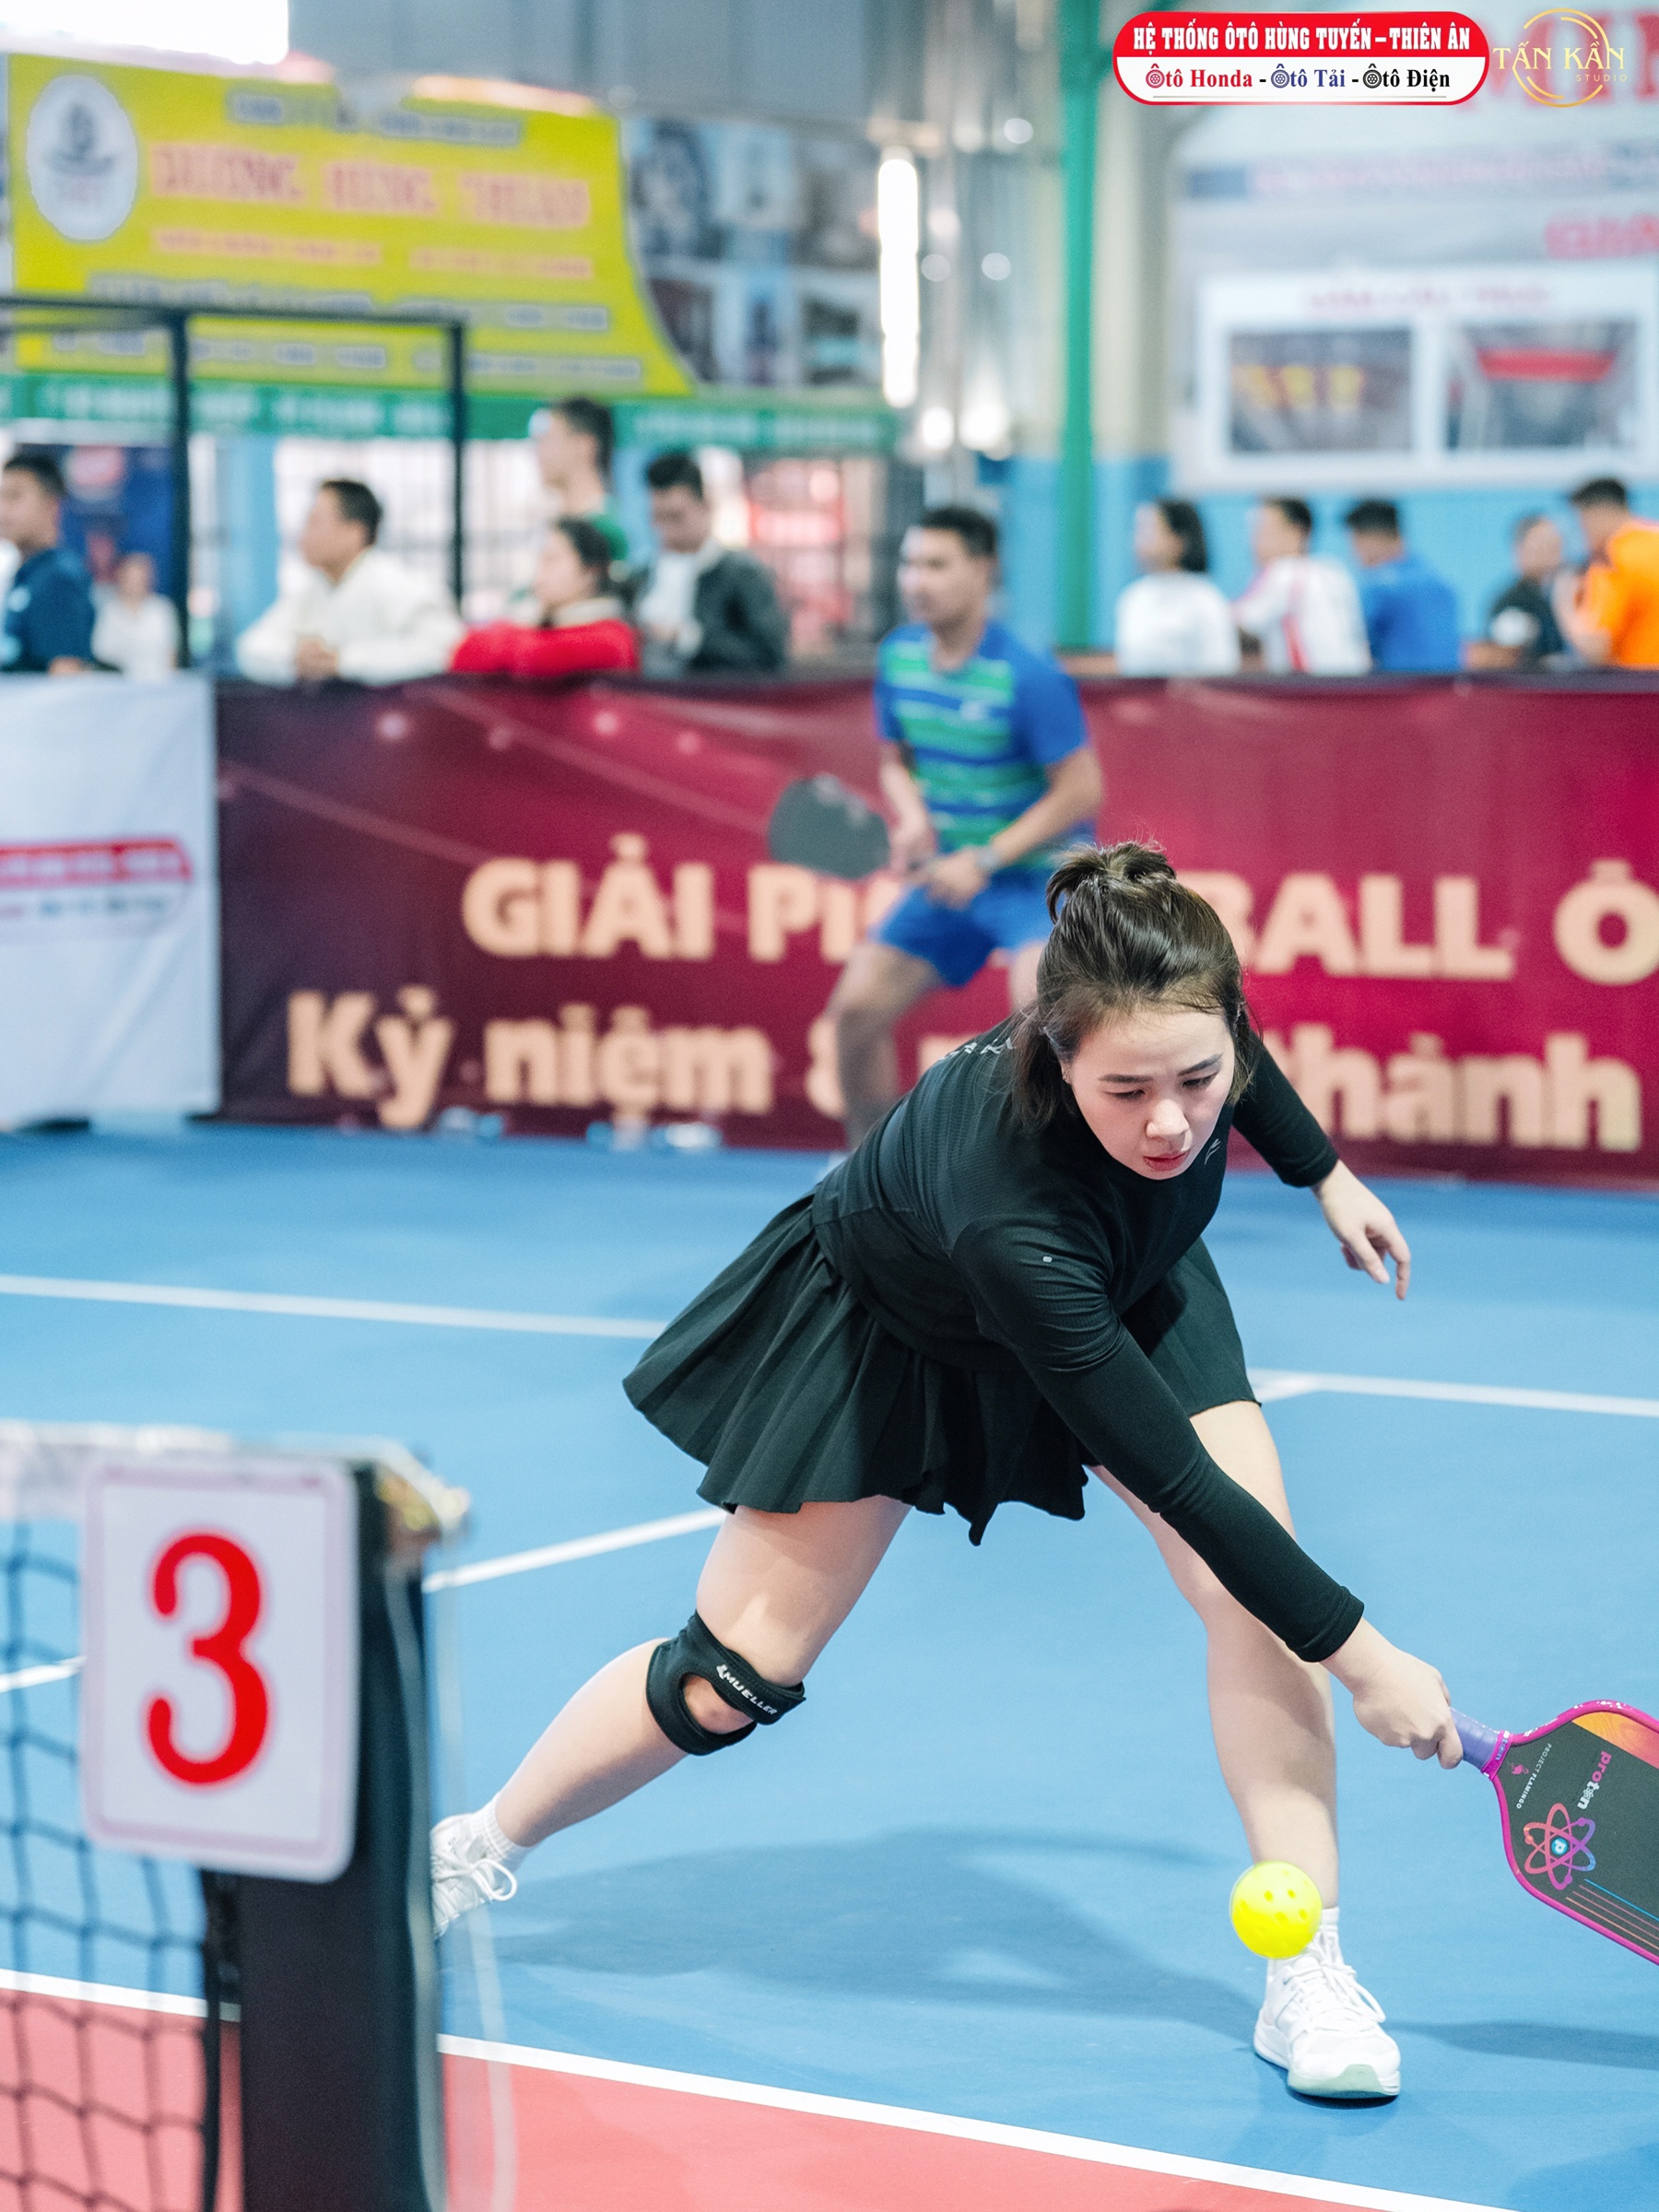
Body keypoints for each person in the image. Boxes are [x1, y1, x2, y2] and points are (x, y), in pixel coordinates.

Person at [430, 845, 1457, 2106]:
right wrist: (1368, 1658)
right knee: (727, 1681)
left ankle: (1309, 1971)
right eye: (1127, 1089)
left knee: (1253, 1604)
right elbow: (1185, 1484)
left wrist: (1324, 1174)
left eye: (1198, 1082)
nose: (1173, 1123)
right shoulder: (1005, 1209)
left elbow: (1232, 1053)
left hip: (1132, 1281)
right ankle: (472, 1849)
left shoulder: (1189, 1040)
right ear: (1057, 1053)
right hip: (899, 1325)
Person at [829, 505, 1101, 1146]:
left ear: (983, 571)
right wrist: (913, 816)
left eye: (937, 565)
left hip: (1041, 884)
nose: (916, 580)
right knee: (855, 1013)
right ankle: (866, 1173)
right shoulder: (898, 658)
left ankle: (1053, 1183)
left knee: (1040, 1024)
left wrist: (985, 858)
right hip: (949, 878)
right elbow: (895, 761)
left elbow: (1081, 791)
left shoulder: (1027, 674)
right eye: (910, 564)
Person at [235, 478, 462, 687]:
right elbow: (250, 648)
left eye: (315, 522)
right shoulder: (315, 590)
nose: (304, 535)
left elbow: (442, 648)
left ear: (354, 533)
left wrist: (343, 661)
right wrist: (294, 657)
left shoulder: (396, 586)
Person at [634, 450, 789, 676]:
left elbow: (769, 654)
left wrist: (688, 639)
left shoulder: (742, 574)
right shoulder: (646, 575)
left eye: (677, 517)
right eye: (658, 518)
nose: (667, 531)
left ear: (706, 506)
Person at [452, 516, 640, 679]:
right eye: (539, 561)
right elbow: (465, 654)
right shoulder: (542, 625)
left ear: (590, 572)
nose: (539, 573)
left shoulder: (612, 639)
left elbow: (532, 658)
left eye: (551, 560)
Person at [1231, 498, 1369, 675]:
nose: (1253, 542)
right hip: (1356, 685)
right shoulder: (1336, 573)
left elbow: (1234, 621)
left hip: (1307, 687)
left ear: (1296, 532)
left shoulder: (1283, 573)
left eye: (1262, 531)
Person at [1113, 500, 1240, 676]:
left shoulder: (1204, 599)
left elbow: (1221, 668)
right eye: (1138, 531)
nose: (1137, 541)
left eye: (1147, 531)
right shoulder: (1133, 596)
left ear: (1178, 540)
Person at [0, 451, 95, 677]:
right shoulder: (28, 574)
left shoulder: (58, 577)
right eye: (1, 497)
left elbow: (66, 671)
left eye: (14, 497)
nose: (3, 509)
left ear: (50, 505)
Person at [1343, 499, 1460, 673]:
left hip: (1401, 687)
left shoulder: (1378, 588)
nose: (1353, 554)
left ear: (1370, 540)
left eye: (1354, 543)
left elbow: (1350, 645)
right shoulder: (1441, 584)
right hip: (1447, 687)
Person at [1555, 477, 1659, 669]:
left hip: (1639, 682)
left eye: (1581, 520)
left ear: (1598, 513)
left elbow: (1595, 649)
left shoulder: (1611, 559)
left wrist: (1563, 601)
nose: (1582, 531)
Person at [533, 396, 629, 571]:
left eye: (548, 440)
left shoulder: (609, 530)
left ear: (585, 445)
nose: (538, 452)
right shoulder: (553, 526)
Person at [1466, 515, 1568, 672]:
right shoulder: (1511, 602)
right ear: (1519, 550)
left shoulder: (1560, 594)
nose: (1552, 554)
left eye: (1555, 546)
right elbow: (1504, 660)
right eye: (1542, 546)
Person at [92, 549, 179, 680]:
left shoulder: (163, 609)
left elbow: (171, 654)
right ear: (120, 578)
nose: (135, 585)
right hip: (117, 686)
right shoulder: (108, 611)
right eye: (131, 579)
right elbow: (101, 652)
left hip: (158, 685)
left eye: (140, 579)